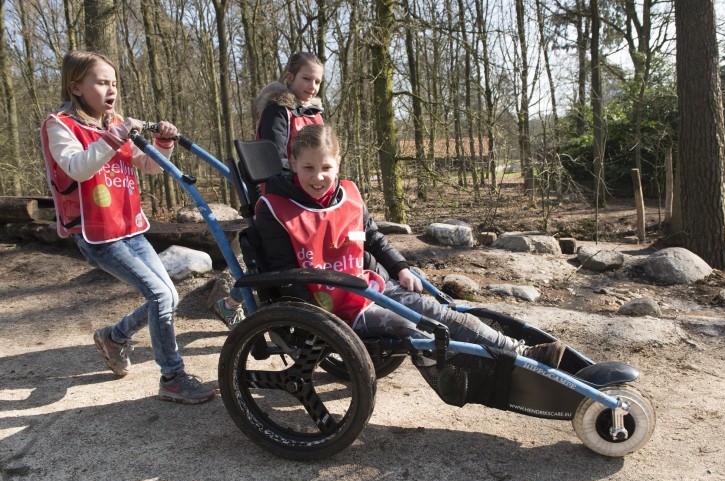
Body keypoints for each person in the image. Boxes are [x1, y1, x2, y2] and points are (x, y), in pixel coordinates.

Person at [253, 124, 565, 368]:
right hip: (328, 309)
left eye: (326, 167)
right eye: (308, 168)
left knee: (447, 315)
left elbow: (374, 239)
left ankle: (523, 353)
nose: (318, 177)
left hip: (368, 288)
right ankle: (486, 368)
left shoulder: (349, 195)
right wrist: (321, 325)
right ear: (293, 163)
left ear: (338, 163)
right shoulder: (274, 208)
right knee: (420, 330)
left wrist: (400, 268)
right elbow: (286, 276)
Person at [41, 50, 215, 404]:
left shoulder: (112, 123)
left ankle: (114, 337)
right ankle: (173, 377)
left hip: (129, 227)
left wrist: (163, 142)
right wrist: (117, 135)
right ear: (76, 86)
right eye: (102, 82)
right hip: (97, 234)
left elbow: (151, 167)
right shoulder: (60, 125)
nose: (112, 89)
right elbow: (77, 168)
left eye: (114, 83)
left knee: (168, 294)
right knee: (162, 295)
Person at [213, 52, 325, 328]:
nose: (312, 86)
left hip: (310, 193)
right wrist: (304, 188)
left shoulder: (314, 114)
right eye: (306, 78)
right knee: (274, 258)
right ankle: (232, 304)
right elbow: (275, 162)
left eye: (318, 82)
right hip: (280, 195)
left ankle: (231, 304)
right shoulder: (277, 111)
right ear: (290, 78)